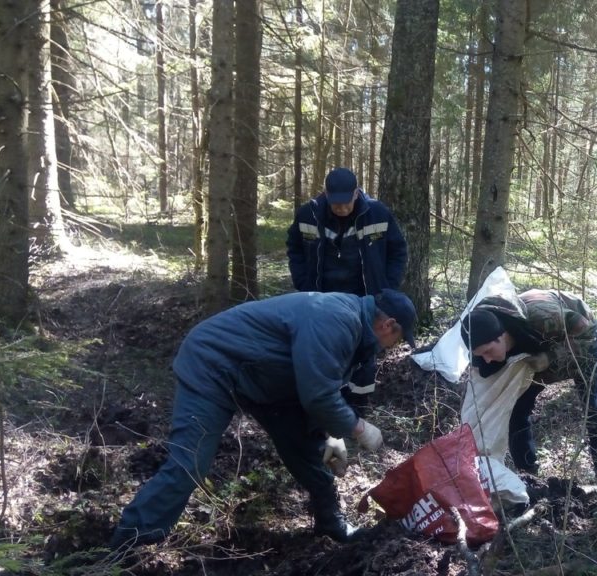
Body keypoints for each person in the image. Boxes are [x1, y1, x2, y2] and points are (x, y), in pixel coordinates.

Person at [107, 289, 417, 552]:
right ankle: (130, 544)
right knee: (191, 463)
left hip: (266, 382)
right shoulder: (337, 319)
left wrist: (334, 437)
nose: (393, 347)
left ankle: (330, 523)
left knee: (309, 448)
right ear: (389, 325)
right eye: (399, 339)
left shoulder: (356, 333)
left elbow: (322, 387)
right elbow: (318, 396)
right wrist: (358, 428)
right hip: (214, 364)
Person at [460, 290, 597, 499]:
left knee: (594, 409)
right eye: (481, 355)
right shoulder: (482, 334)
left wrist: (551, 357)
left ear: (502, 336)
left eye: (488, 351)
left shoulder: (545, 318)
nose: (487, 359)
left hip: (578, 341)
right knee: (517, 410)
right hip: (533, 351)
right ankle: (528, 475)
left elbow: (588, 339)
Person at [286, 167, 409, 409]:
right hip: (322, 298)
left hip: (365, 297)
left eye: (346, 202)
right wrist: (303, 283)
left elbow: (398, 251)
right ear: (325, 194)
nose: (341, 208)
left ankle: (359, 404)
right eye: (336, 203)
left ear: (355, 193)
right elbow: (295, 248)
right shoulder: (308, 214)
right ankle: (329, 403)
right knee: (326, 348)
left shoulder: (377, 213)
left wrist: (387, 288)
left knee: (365, 350)